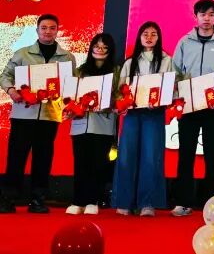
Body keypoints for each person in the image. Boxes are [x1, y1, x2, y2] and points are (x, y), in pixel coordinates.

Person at [0, 13, 75, 214]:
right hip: (23, 114)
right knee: (16, 156)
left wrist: (69, 103)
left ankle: (38, 199)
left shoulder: (67, 58)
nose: (48, 31)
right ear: (37, 30)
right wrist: (12, 91)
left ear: (57, 30)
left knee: (43, 157)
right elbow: (5, 76)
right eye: (44, 28)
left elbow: (71, 84)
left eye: (52, 28)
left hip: (50, 115)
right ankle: (8, 198)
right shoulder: (22, 53)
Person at [171, 0, 214, 216]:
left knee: (213, 155)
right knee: (186, 154)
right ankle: (183, 201)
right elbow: (176, 72)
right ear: (196, 17)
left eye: (211, 15)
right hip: (188, 106)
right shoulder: (185, 42)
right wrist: (177, 98)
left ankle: (212, 204)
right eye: (203, 14)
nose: (207, 19)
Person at [112, 21, 173, 216]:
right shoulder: (130, 62)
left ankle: (147, 203)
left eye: (153, 34)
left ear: (159, 38)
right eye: (145, 33)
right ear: (139, 37)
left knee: (151, 157)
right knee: (126, 156)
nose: (149, 37)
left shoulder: (166, 60)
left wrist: (162, 101)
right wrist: (122, 105)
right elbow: (121, 90)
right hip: (133, 114)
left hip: (154, 113)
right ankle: (124, 202)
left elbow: (171, 86)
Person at [66, 33, 118, 216]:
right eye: (97, 46)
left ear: (110, 50)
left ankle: (92, 200)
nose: (100, 50)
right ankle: (77, 201)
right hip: (80, 123)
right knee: (81, 163)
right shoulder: (80, 71)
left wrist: (112, 103)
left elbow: (120, 95)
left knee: (98, 164)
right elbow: (70, 94)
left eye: (104, 47)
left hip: (103, 125)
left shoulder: (116, 71)